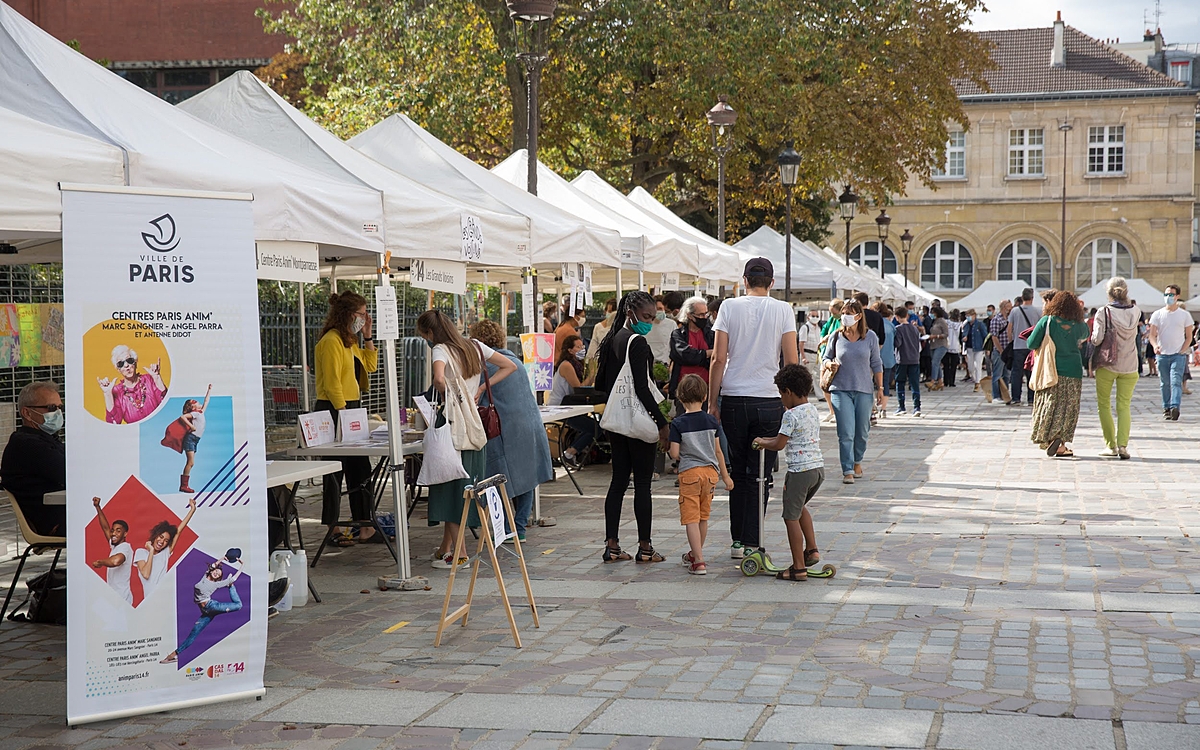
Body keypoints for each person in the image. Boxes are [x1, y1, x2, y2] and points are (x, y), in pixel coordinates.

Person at [708, 258, 798, 559]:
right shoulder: (783, 310)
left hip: (734, 397)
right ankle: (753, 538)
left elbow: (718, 358)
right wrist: (793, 401)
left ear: (744, 280)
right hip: (769, 399)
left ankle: (737, 540)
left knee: (739, 472)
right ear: (771, 283)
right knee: (761, 472)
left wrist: (712, 400)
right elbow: (791, 360)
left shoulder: (729, 308)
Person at [418, 309, 517, 568]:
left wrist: (450, 393)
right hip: (474, 425)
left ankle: (459, 554)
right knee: (467, 486)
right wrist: (481, 388)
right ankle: (446, 548)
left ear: (430, 333)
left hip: (451, 425)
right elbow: (510, 365)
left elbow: (439, 378)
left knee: (449, 489)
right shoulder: (474, 346)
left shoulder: (440, 350)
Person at [595, 291, 669, 563]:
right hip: (637, 420)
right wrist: (661, 423)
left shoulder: (614, 339)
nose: (650, 322)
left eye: (653, 317)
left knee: (617, 482)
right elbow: (641, 388)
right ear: (630, 313)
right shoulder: (637, 342)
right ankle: (645, 547)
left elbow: (602, 383)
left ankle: (612, 545)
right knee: (642, 485)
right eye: (647, 316)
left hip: (616, 420)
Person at [469, 319, 554, 541]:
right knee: (528, 475)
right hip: (530, 424)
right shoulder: (514, 359)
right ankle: (520, 527)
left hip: (505, 428)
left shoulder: (484, 365)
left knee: (498, 477)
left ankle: (506, 528)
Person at [313, 291, 379, 546]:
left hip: (350, 407)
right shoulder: (331, 341)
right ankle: (334, 526)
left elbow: (370, 366)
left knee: (360, 469)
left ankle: (364, 524)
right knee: (333, 471)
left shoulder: (348, 340)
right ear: (349, 314)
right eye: (362, 314)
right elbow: (331, 384)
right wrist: (343, 414)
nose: (365, 318)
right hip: (334, 408)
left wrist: (368, 336)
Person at [752, 364, 824, 582]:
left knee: (790, 517)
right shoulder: (812, 410)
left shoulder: (790, 415)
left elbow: (779, 444)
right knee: (800, 507)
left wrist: (761, 441)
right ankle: (811, 550)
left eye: (781, 394)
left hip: (799, 472)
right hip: (817, 470)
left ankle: (799, 568)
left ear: (789, 392)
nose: (781, 399)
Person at [668, 374, 732, 576]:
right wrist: (726, 477)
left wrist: (671, 451)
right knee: (703, 517)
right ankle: (696, 555)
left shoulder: (678, 424)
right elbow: (718, 451)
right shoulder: (711, 421)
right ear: (705, 397)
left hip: (690, 474)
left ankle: (699, 562)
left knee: (691, 519)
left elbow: (675, 453)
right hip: (710, 474)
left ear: (680, 397)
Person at [822, 300, 883, 483]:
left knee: (862, 431)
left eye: (849, 313)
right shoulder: (836, 336)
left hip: (864, 389)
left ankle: (858, 460)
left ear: (858, 316)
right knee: (846, 431)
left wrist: (880, 388)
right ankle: (847, 469)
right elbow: (825, 357)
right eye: (843, 313)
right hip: (840, 389)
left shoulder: (870, 336)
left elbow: (876, 363)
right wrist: (828, 364)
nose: (845, 317)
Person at [1027, 290, 1090, 458]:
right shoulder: (1079, 325)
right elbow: (1086, 335)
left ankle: (1048, 437)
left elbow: (1031, 343)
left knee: (1050, 402)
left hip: (1051, 369)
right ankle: (1061, 442)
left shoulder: (1047, 321)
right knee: (1069, 406)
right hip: (1074, 370)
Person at [1, 381, 65, 535]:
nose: (57, 413)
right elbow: (70, 472)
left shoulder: (46, 440)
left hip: (65, 517)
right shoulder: (27, 445)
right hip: (55, 524)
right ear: (27, 413)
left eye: (60, 407)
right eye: (51, 408)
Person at [1090, 277, 1141, 459]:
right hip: (1131, 365)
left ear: (1108, 292)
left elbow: (1096, 339)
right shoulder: (1136, 311)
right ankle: (1123, 446)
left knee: (1104, 404)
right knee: (1124, 406)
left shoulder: (1103, 312)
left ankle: (1110, 446)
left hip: (1108, 364)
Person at [160, 556, 244, 664]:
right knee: (193, 634)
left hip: (212, 606)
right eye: (216, 572)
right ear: (212, 571)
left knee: (238, 605)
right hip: (206, 612)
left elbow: (234, 578)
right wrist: (222, 559)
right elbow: (213, 565)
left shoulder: (216, 584)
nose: (216, 574)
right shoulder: (204, 577)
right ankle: (174, 655)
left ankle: (231, 587)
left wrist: (242, 565)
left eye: (218, 575)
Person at [547, 334, 597, 470]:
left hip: (570, 406)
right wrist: (592, 375)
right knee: (594, 428)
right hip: (560, 409)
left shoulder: (577, 365)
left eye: (582, 346)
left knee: (593, 426)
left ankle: (572, 452)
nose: (582, 349)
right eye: (578, 347)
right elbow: (578, 388)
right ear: (569, 350)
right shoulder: (566, 366)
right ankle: (569, 454)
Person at [135, 497, 197, 600]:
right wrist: (151, 551)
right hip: (150, 601)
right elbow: (146, 574)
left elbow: (179, 530)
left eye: (166, 541)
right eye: (161, 537)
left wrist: (192, 509)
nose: (162, 542)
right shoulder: (141, 553)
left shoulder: (165, 553)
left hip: (166, 597)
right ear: (155, 535)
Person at [1149, 284, 1194, 421]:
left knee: (1175, 381)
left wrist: (1182, 350)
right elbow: (1152, 335)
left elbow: (1189, 336)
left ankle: (1175, 407)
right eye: (1166, 294)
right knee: (1164, 382)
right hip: (1162, 354)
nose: (1168, 297)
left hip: (1177, 355)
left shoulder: (1184, 315)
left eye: (1171, 294)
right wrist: (1155, 346)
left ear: (1177, 296)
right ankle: (1166, 407)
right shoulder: (1158, 314)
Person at [98, 345, 167, 424]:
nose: (126, 365)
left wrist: (157, 378)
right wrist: (107, 394)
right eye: (121, 363)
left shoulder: (149, 379)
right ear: (118, 369)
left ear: (135, 363)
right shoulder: (117, 391)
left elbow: (166, 407)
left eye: (129, 360)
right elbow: (114, 423)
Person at [668, 296, 713, 403]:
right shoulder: (678, 334)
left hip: (707, 388)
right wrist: (707, 353)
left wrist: (697, 356)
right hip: (683, 389)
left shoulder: (711, 333)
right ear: (689, 315)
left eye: (706, 313)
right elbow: (685, 355)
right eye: (701, 314)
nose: (704, 317)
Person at [90, 496, 133, 605]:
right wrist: (98, 507)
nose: (113, 533)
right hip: (113, 597)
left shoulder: (126, 548)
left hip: (123, 598)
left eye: (118, 531)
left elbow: (116, 561)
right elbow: (105, 527)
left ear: (125, 534)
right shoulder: (115, 546)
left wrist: (101, 562)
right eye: (113, 530)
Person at [1007, 287, 1041, 406]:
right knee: (1031, 372)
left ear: (1022, 298)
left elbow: (1009, 328)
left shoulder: (1015, 311)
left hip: (1018, 346)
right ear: (1032, 298)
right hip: (1033, 347)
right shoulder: (1038, 311)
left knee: (1017, 373)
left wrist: (1012, 340)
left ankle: (1016, 398)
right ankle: (1031, 399)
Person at [176, 385, 212, 494]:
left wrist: (209, 390)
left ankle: (184, 485)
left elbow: (206, 401)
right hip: (191, 439)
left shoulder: (200, 412)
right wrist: (191, 427)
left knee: (191, 463)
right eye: (195, 402)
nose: (199, 402)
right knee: (190, 462)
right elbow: (183, 417)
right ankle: (184, 486)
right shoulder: (195, 413)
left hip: (195, 440)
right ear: (193, 407)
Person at [818, 299, 844, 421]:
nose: (832, 315)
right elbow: (824, 329)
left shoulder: (842, 321)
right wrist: (824, 337)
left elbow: (838, 333)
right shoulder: (832, 319)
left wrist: (829, 336)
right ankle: (831, 410)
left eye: (834, 312)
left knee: (832, 384)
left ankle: (836, 412)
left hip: (835, 356)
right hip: (825, 354)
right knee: (824, 384)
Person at [894, 311, 922, 416]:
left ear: (897, 317)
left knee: (900, 382)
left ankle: (901, 406)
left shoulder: (898, 329)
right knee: (914, 383)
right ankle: (917, 406)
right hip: (914, 358)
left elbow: (898, 343)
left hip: (902, 359)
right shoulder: (914, 329)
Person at [646, 292, 683, 364]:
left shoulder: (671, 324)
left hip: (665, 364)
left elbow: (675, 347)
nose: (662, 312)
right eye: (659, 309)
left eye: (664, 310)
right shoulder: (645, 325)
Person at [873, 302, 895, 413]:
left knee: (870, 383)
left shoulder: (876, 323)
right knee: (885, 383)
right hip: (888, 359)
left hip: (875, 359)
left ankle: (872, 408)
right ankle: (884, 409)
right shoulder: (891, 325)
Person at [989, 300, 1013, 403]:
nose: (1011, 309)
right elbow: (994, 337)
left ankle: (1005, 395)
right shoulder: (996, 320)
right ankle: (996, 396)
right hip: (999, 352)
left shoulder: (1009, 319)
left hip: (1007, 352)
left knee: (1006, 375)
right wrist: (1001, 351)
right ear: (1004, 307)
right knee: (997, 374)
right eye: (1009, 307)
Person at [585, 297, 619, 362]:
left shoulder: (622, 327)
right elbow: (593, 348)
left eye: (613, 312)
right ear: (605, 311)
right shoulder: (598, 327)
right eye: (609, 311)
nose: (611, 314)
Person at [961, 310, 988, 390]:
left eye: (970, 315)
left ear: (974, 315)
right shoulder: (966, 325)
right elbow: (962, 335)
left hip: (979, 348)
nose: (968, 317)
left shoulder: (980, 324)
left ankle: (977, 382)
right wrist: (964, 338)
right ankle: (974, 378)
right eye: (967, 316)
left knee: (978, 365)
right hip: (969, 348)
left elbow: (985, 336)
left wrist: (987, 348)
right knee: (970, 367)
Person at [797, 311, 822, 397]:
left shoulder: (819, 328)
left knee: (818, 375)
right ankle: (802, 394)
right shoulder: (805, 327)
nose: (815, 318)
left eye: (817, 316)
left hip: (817, 355)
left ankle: (820, 395)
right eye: (813, 316)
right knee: (805, 376)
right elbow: (801, 343)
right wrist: (803, 357)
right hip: (807, 353)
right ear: (808, 317)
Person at [927, 308, 949, 391]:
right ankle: (940, 382)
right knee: (937, 363)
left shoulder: (942, 321)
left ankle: (932, 381)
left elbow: (946, 334)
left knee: (934, 362)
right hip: (933, 345)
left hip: (941, 345)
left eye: (933, 313)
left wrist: (936, 336)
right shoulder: (934, 322)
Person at [944, 310, 962, 387]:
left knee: (946, 365)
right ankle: (952, 381)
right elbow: (961, 336)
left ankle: (946, 381)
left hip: (946, 345)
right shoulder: (960, 325)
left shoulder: (946, 322)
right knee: (953, 365)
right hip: (955, 346)